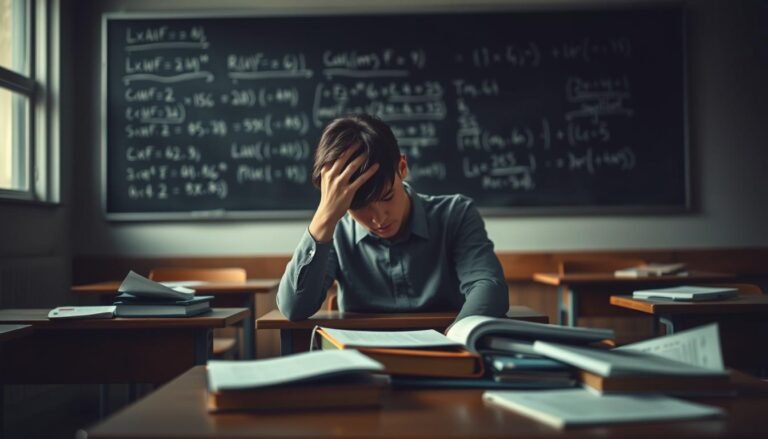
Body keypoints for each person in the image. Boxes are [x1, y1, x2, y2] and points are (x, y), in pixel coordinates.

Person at [277, 114, 508, 323]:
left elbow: (489, 287)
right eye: (358, 207)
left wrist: (459, 334)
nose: (378, 219)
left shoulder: (455, 214)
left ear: (402, 167)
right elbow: (293, 309)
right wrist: (324, 217)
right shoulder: (335, 232)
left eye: (387, 196)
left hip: (450, 355)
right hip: (362, 361)